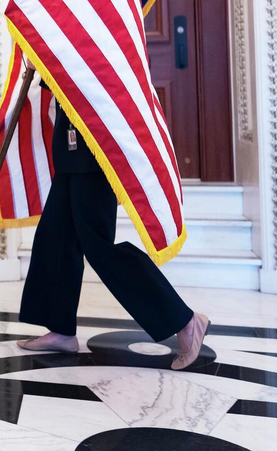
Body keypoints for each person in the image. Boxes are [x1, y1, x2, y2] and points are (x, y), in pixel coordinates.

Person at [17, 76, 209, 370]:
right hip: (72, 144)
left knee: (99, 247)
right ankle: (61, 330)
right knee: (56, 236)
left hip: (95, 146)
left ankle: (185, 321)